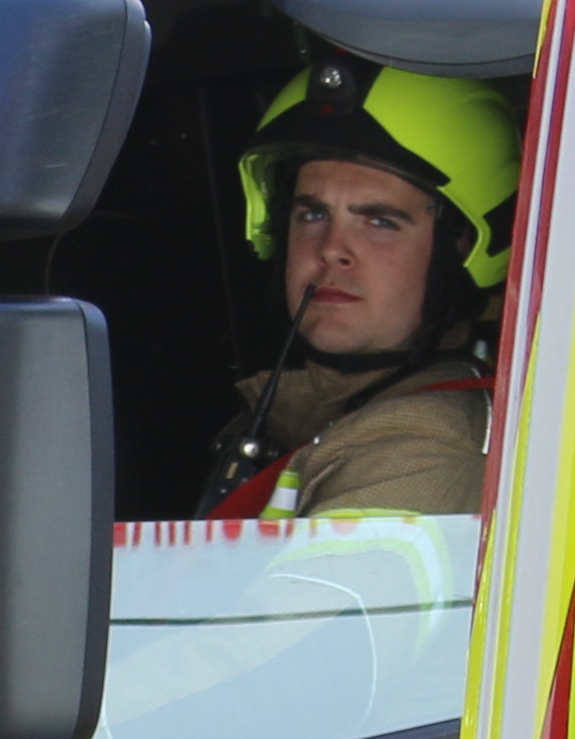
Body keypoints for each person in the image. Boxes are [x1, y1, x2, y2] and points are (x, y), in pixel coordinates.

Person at [203, 59, 521, 521]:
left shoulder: (422, 448)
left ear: (463, 251)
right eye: (312, 215)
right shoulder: (287, 421)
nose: (331, 250)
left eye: (380, 222)